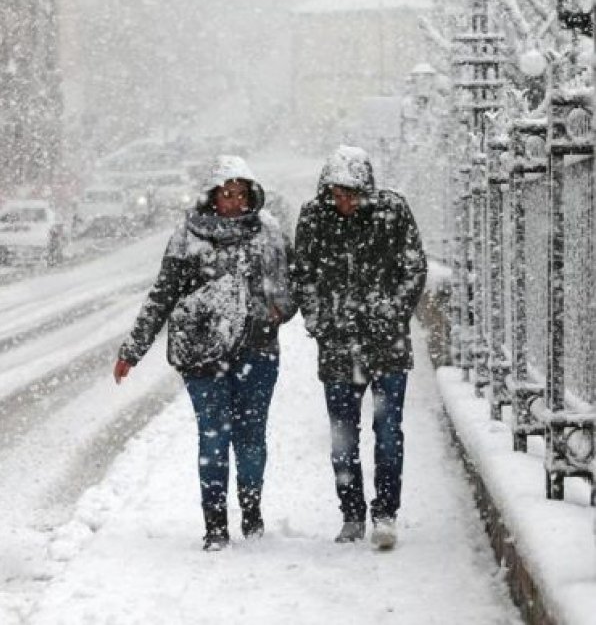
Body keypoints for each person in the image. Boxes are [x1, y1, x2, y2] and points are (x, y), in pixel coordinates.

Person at [113, 155, 296, 551]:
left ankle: (251, 512)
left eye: (240, 194)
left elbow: (293, 284)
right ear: (212, 196)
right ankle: (214, 524)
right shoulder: (187, 237)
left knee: (250, 438)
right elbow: (162, 295)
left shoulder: (270, 235)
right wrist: (134, 348)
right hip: (204, 355)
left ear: (251, 195)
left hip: (258, 351)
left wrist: (282, 307)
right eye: (226, 194)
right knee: (213, 437)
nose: (232, 202)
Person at [292, 145, 427, 550]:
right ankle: (351, 513)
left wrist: (392, 312)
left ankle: (385, 512)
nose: (344, 201)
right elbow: (303, 274)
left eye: (350, 192)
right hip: (338, 347)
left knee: (387, 432)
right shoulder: (314, 218)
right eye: (336, 193)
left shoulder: (393, 212)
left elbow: (414, 267)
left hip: (387, 346)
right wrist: (319, 320)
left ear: (366, 187)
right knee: (343, 436)